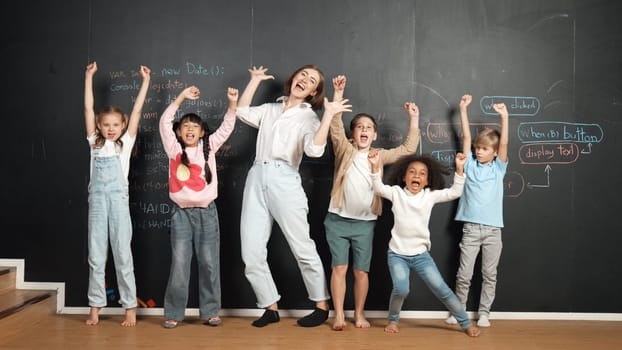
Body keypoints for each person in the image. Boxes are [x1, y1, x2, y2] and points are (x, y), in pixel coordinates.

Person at [236, 65, 352, 328]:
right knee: (251, 251)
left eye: (312, 81)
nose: (305, 80)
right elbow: (241, 112)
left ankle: (321, 304)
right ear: (294, 79)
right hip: (257, 176)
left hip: (285, 179)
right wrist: (253, 80)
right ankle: (269, 306)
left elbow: (314, 151)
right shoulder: (270, 109)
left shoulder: (309, 118)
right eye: (303, 75)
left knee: (301, 246)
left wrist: (328, 116)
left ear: (313, 92)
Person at [324, 75, 420, 330]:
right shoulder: (345, 150)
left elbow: (408, 149)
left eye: (368, 127)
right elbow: (335, 128)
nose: (364, 130)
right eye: (359, 127)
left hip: (365, 223)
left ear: (374, 134)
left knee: (360, 272)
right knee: (339, 268)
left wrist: (414, 119)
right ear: (353, 133)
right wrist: (337, 94)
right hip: (337, 220)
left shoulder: (380, 155)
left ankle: (358, 314)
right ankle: (340, 315)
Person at [368, 150, 480, 337]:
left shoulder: (429, 195)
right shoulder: (396, 193)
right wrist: (374, 166)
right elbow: (378, 188)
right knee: (401, 289)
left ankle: (465, 323)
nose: (416, 176)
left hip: (421, 256)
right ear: (404, 177)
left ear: (427, 181)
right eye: (412, 172)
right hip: (397, 254)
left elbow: (455, 192)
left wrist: (460, 169)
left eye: (422, 174)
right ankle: (393, 320)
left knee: (442, 289)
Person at [159, 85, 239, 329]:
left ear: (203, 132)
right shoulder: (174, 150)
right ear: (179, 132)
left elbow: (227, 127)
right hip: (181, 215)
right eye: (185, 126)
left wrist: (232, 104)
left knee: (209, 263)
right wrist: (182, 97)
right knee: (180, 264)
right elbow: (164, 122)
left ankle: (211, 311)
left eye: (195, 127)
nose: (190, 129)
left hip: (207, 213)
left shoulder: (209, 148)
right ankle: (173, 312)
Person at [83, 61, 151, 326]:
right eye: (106, 124)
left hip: (119, 202)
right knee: (96, 254)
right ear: (99, 126)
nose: (111, 128)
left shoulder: (125, 143)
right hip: (98, 202)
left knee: (123, 253)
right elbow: (88, 107)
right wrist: (89, 77)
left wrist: (145, 82)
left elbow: (137, 110)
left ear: (122, 126)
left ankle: (130, 306)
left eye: (115, 124)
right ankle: (95, 307)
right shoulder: (93, 142)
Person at [445, 95, 509, 328]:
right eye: (478, 148)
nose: (479, 151)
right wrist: (462, 110)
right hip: (471, 229)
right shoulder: (469, 164)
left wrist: (504, 117)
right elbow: (466, 137)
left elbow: (503, 144)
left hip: (493, 230)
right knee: (464, 275)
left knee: (489, 275)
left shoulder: (498, 168)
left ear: (493, 153)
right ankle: (459, 312)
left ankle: (484, 313)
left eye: (484, 149)